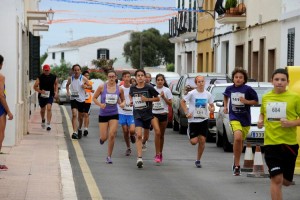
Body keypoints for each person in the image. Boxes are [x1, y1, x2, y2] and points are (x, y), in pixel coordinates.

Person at [258, 68, 300, 200]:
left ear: (288, 82)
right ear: (271, 81)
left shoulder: (295, 97)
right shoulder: (266, 97)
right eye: (276, 79)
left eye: (283, 80)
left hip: (289, 144)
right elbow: (262, 112)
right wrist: (260, 120)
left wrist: (291, 123)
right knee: (276, 179)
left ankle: (287, 179)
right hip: (271, 144)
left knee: (286, 181)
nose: (279, 82)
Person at [223, 68, 258, 176]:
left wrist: (246, 101)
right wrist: (225, 106)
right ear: (233, 78)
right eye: (236, 77)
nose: (238, 79)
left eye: (240, 77)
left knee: (240, 141)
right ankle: (237, 165)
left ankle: (235, 160)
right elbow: (225, 95)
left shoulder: (248, 89)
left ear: (244, 79)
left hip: (245, 119)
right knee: (237, 138)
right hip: (234, 117)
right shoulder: (230, 88)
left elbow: (256, 101)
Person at [180, 75, 214, 168]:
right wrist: (187, 112)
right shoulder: (192, 93)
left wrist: (211, 108)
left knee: (202, 140)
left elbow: (212, 105)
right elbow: (182, 102)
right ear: (196, 83)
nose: (201, 83)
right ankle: (191, 133)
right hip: (193, 120)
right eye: (199, 82)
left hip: (204, 119)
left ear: (205, 82)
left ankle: (198, 160)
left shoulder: (208, 94)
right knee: (194, 142)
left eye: (202, 81)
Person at [93, 70, 125, 164]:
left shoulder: (120, 89)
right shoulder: (102, 87)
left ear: (116, 77)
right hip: (103, 114)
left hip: (114, 114)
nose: (111, 78)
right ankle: (102, 139)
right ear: (107, 77)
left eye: (113, 76)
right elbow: (94, 98)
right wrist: (100, 104)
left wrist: (122, 104)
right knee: (104, 137)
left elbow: (123, 100)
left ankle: (109, 156)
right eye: (109, 76)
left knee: (112, 134)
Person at [129, 69, 159, 168]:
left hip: (147, 114)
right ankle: (139, 158)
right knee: (138, 135)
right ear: (136, 77)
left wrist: (147, 99)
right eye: (138, 75)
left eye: (142, 75)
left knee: (145, 137)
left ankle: (143, 142)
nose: (140, 77)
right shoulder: (133, 88)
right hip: (137, 114)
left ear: (145, 77)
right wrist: (131, 101)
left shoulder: (149, 87)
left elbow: (157, 98)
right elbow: (130, 95)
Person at [66, 64, 91, 139]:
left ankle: (79, 128)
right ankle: (75, 132)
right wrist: (68, 92)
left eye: (78, 70)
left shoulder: (83, 78)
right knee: (74, 114)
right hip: (73, 98)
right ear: (73, 71)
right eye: (75, 70)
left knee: (80, 116)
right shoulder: (71, 78)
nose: (76, 71)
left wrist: (86, 86)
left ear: (80, 71)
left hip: (81, 99)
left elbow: (90, 86)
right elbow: (67, 85)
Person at [152, 74, 173, 163]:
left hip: (163, 113)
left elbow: (170, 104)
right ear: (156, 81)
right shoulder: (152, 89)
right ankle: (157, 154)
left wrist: (164, 97)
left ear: (164, 81)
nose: (160, 81)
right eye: (158, 80)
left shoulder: (167, 90)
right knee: (157, 132)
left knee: (161, 135)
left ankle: (160, 152)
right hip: (154, 114)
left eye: (161, 80)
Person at [33, 64, 58, 131]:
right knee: (43, 110)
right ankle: (43, 119)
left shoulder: (53, 77)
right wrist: (40, 91)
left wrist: (56, 92)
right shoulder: (40, 77)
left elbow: (56, 84)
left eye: (48, 70)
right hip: (42, 96)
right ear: (43, 70)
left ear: (50, 70)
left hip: (50, 95)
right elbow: (35, 87)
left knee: (49, 108)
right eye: (45, 70)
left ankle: (49, 124)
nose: (47, 71)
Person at [118, 71, 136, 156]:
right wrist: (120, 103)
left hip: (132, 112)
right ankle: (128, 148)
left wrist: (133, 103)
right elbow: (116, 98)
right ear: (122, 78)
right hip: (122, 112)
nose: (126, 78)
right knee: (125, 131)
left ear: (130, 78)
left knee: (132, 130)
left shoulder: (134, 88)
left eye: (128, 76)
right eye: (125, 76)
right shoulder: (120, 88)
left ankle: (132, 135)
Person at [0, 54, 13, 170]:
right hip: (0, 108)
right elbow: (1, 95)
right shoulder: (1, 77)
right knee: (0, 134)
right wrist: (8, 111)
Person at [82, 71, 94, 136]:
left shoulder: (90, 83)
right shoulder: (80, 82)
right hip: (81, 101)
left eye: (88, 75)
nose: (87, 77)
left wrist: (91, 90)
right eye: (85, 75)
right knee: (81, 115)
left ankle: (86, 129)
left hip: (88, 101)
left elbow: (91, 89)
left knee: (86, 115)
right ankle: (80, 128)